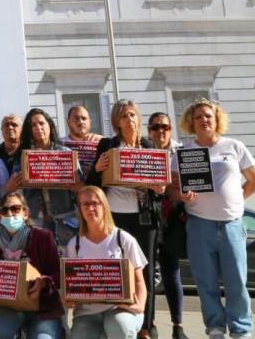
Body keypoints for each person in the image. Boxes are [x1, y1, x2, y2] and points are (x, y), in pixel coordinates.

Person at [172, 99, 255, 339]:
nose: (203, 120)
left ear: (217, 119)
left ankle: (241, 329)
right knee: (206, 282)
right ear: (191, 122)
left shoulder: (234, 146)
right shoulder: (184, 152)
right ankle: (214, 328)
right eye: (198, 117)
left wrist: (238, 201)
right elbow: (172, 186)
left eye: (208, 116)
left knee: (237, 282)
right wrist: (180, 194)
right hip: (199, 224)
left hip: (231, 224)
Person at [88, 100, 163, 339]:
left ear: (138, 118)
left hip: (143, 218)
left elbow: (159, 187)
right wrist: (97, 168)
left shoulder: (149, 145)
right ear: (116, 122)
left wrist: (158, 187)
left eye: (132, 114)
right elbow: (91, 183)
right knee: (117, 271)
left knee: (146, 272)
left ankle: (146, 327)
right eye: (123, 116)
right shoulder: (108, 145)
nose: (129, 119)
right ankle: (116, 320)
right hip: (115, 218)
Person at [64, 186, 147, 339]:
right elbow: (68, 286)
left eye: (95, 203)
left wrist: (140, 306)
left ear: (105, 206)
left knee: (120, 327)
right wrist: (68, 299)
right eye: (85, 204)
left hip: (120, 309)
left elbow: (139, 280)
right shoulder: (74, 244)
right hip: (87, 313)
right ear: (80, 208)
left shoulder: (123, 239)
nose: (91, 208)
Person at [0, 191, 64, 339]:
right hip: (8, 307)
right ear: (0, 216)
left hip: (42, 307)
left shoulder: (43, 237)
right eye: (4, 210)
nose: (10, 214)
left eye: (15, 209)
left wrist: (43, 282)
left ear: (25, 213)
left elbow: (58, 275)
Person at [7, 108, 81, 247]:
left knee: (66, 261)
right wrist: (10, 187)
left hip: (65, 220)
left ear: (50, 125)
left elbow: (82, 189)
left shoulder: (66, 154)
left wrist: (77, 186)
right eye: (33, 125)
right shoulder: (22, 156)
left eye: (41, 123)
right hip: (35, 220)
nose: (38, 128)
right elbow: (13, 193)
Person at [148, 112, 189, 339]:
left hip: (173, 220)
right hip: (149, 220)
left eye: (164, 127)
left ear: (171, 129)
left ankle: (178, 326)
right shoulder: (143, 151)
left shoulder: (183, 152)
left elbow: (194, 183)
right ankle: (150, 323)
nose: (160, 131)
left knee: (172, 274)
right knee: (149, 275)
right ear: (149, 131)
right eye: (155, 127)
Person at [61, 105, 102, 178]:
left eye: (84, 118)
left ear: (90, 122)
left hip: (94, 187)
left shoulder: (101, 142)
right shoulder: (59, 144)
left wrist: (104, 141)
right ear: (68, 122)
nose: (80, 122)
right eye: (76, 118)